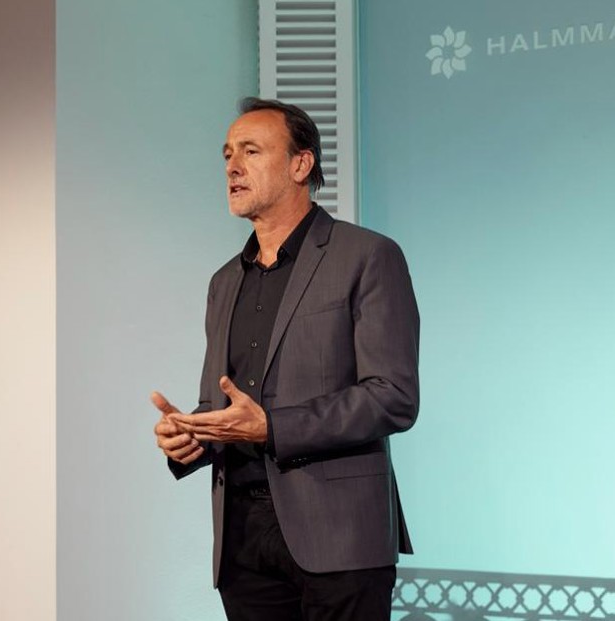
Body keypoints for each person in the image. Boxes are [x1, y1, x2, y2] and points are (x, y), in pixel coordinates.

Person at [153, 97, 420, 621]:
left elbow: (392, 397)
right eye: (227, 154)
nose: (232, 166)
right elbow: (223, 405)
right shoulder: (224, 281)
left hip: (340, 536)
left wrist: (271, 427)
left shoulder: (368, 255)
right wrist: (192, 437)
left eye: (251, 151)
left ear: (301, 164)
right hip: (242, 541)